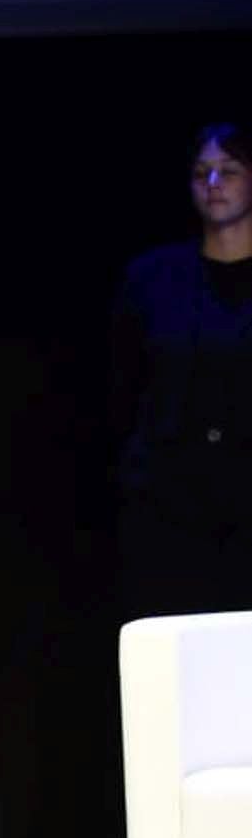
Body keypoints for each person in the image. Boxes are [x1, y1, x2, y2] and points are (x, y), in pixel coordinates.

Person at [112, 120, 252, 617]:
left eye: (228, 171)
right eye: (201, 173)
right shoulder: (154, 278)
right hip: (171, 504)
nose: (213, 184)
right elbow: (123, 384)